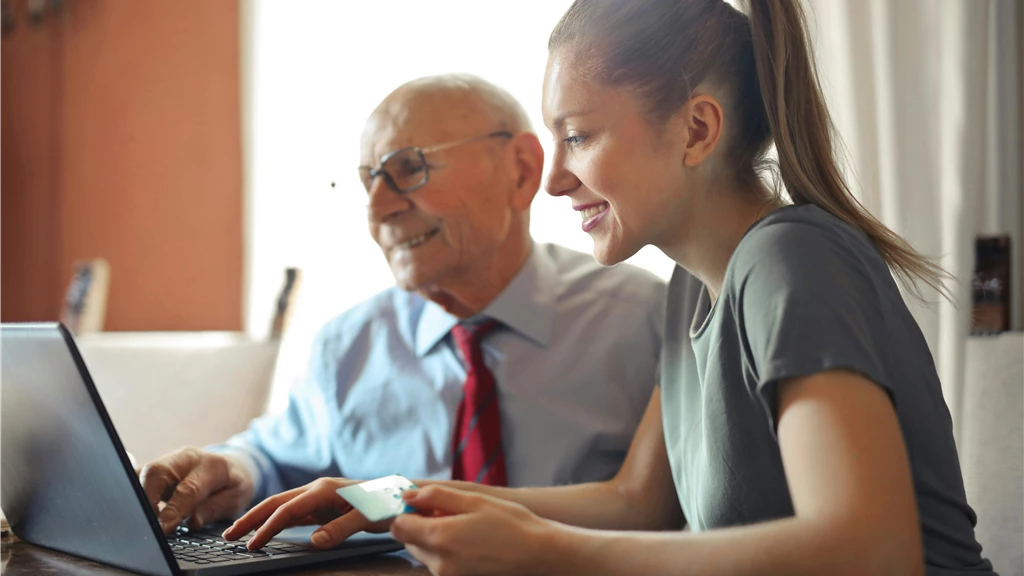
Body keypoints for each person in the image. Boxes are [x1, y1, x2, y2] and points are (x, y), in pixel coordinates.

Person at [223, 1, 998, 575]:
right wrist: (387, 497)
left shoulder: (791, 262)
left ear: (697, 130)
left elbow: (872, 549)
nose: (555, 180)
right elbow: (638, 501)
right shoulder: (695, 287)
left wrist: (543, 552)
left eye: (579, 136)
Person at [137, 74, 666, 536]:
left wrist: (388, 499)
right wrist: (232, 469)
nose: (378, 210)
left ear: (522, 170)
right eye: (369, 181)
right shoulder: (348, 344)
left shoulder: (645, 319)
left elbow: (664, 511)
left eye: (407, 169)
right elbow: (275, 457)